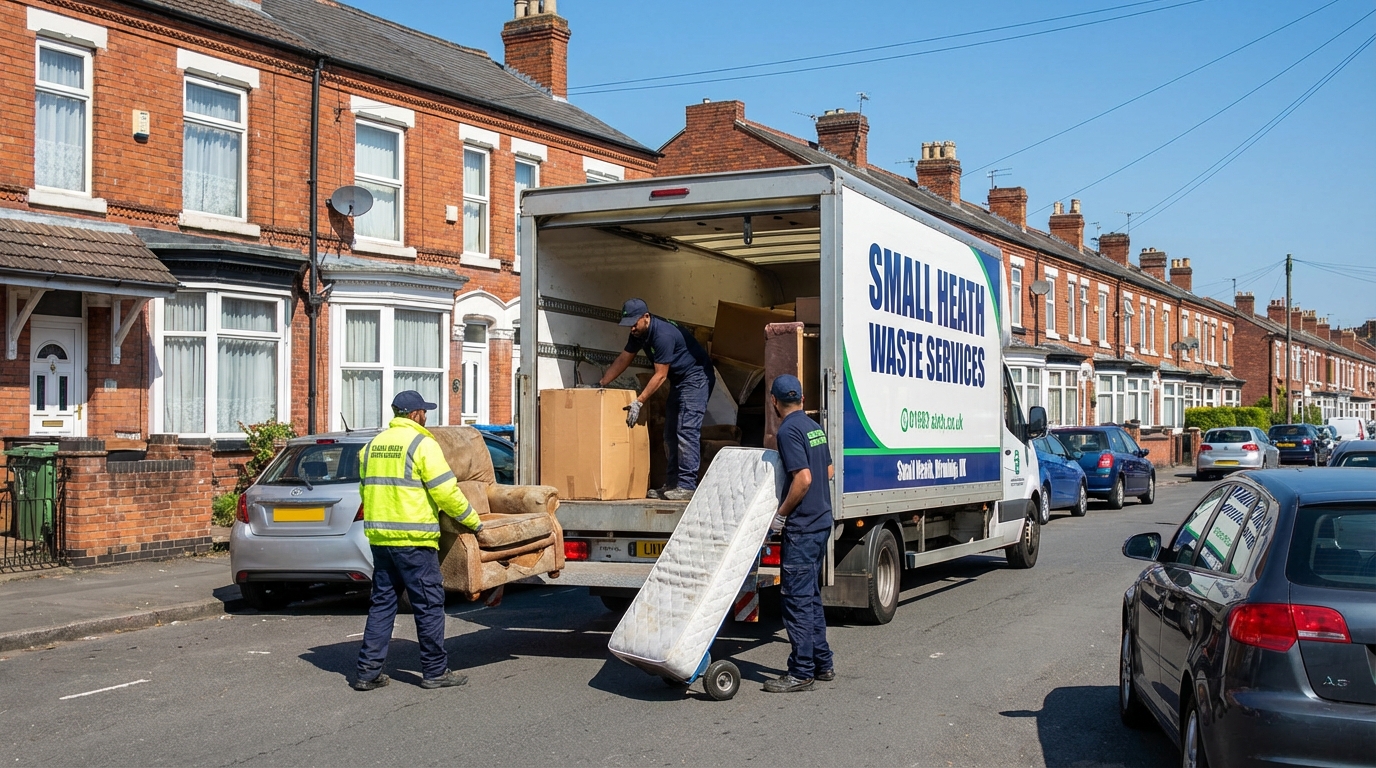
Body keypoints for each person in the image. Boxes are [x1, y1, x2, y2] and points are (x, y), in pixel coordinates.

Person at [352, 390, 483, 691]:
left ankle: (367, 673)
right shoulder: (422, 444)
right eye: (424, 412)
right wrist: (473, 522)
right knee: (428, 604)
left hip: (381, 540)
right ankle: (435, 671)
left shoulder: (371, 447)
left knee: (383, 604)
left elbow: (365, 491)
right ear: (414, 414)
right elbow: (446, 492)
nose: (426, 417)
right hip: (414, 541)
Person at [598, 298, 714, 501]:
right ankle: (672, 484)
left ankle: (687, 486)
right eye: (628, 324)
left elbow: (660, 375)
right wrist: (601, 384)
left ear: (646, 317)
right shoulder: (639, 333)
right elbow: (624, 358)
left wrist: (639, 401)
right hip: (679, 381)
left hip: (696, 379)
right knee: (670, 433)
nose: (632, 328)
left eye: (634, 323)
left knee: (686, 430)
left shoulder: (662, 335)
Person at [764, 374, 835, 693]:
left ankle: (801, 671)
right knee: (810, 597)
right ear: (802, 399)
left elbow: (803, 478)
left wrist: (781, 515)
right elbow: (827, 471)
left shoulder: (788, 430)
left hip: (803, 528)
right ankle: (823, 663)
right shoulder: (813, 427)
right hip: (821, 522)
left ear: (774, 401)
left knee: (796, 600)